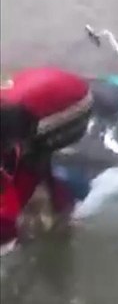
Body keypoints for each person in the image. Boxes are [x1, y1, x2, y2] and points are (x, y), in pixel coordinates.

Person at [1, 68, 93, 248]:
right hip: (39, 89)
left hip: (73, 104)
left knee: (33, 168)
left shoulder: (18, 131)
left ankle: (63, 213)